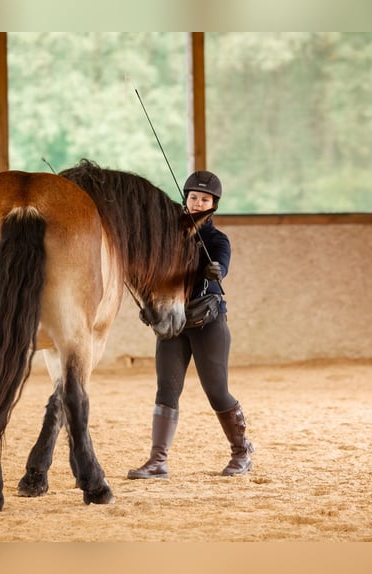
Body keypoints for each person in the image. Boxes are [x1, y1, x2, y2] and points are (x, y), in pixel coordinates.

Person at [127, 170, 254, 479]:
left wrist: (215, 270)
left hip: (206, 322)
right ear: (185, 199)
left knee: (217, 391)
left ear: (214, 205)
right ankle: (158, 461)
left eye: (205, 199)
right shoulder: (165, 236)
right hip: (173, 325)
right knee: (166, 390)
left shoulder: (215, 239)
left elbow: (222, 263)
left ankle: (242, 452)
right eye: (193, 197)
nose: (198, 203)